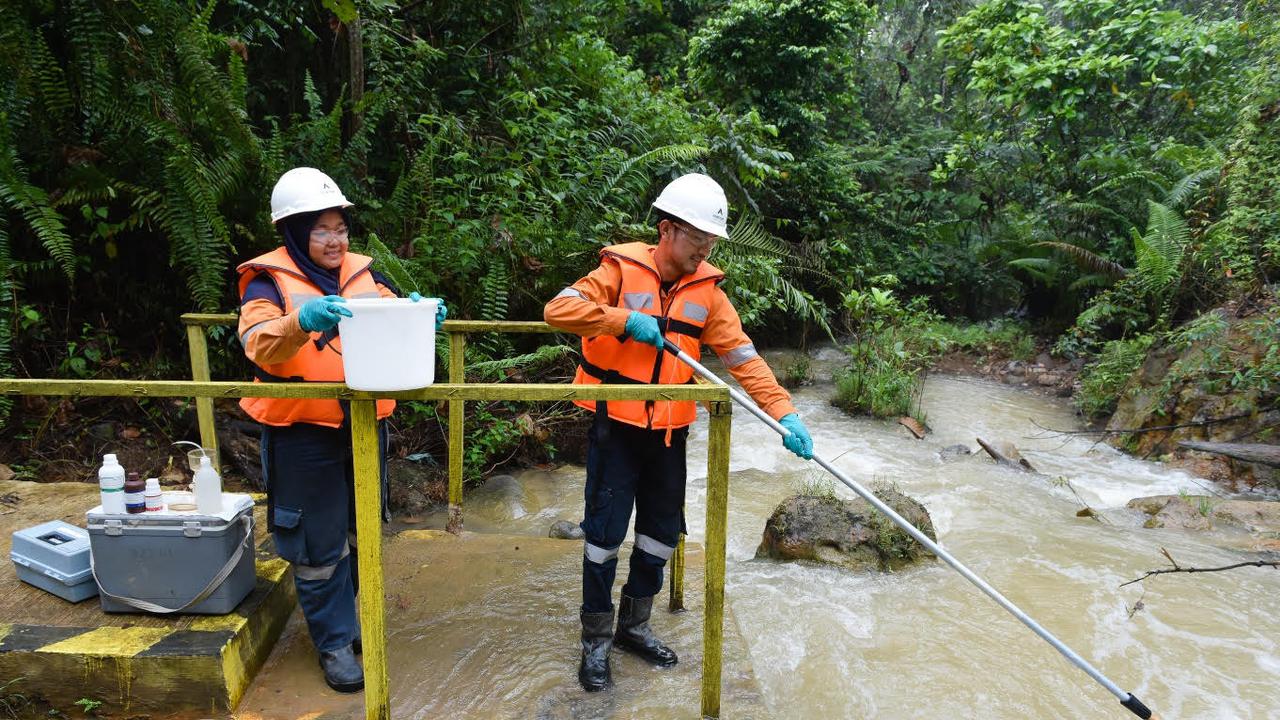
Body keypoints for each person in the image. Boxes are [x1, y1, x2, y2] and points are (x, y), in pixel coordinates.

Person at [543, 172, 815, 692]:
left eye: (712, 241)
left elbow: (743, 359)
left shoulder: (707, 293)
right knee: (603, 539)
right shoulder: (617, 270)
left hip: (670, 433)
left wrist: (784, 412)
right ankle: (595, 641)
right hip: (615, 428)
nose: (706, 249)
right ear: (667, 229)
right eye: (698, 238)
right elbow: (559, 310)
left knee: (661, 536)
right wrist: (621, 320)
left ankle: (634, 627)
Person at [236, 167, 447, 693]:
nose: (336, 240)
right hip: (302, 434)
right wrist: (301, 322)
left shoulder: (366, 274)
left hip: (360, 426)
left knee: (360, 531)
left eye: (341, 229)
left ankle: (350, 623)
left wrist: (423, 315)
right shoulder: (268, 281)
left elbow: (397, 317)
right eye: (323, 230)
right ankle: (333, 644)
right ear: (295, 231)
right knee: (317, 546)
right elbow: (258, 341)